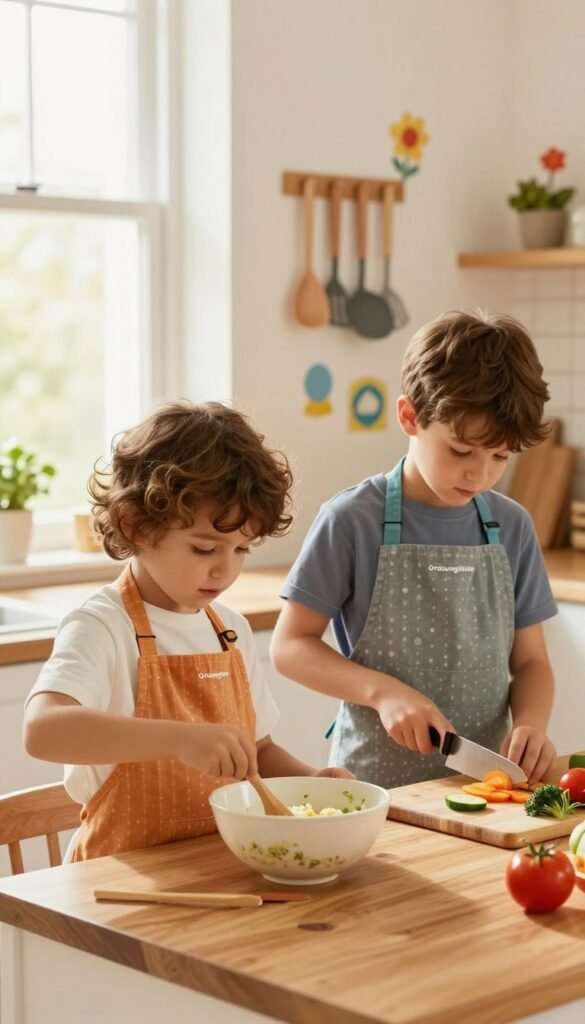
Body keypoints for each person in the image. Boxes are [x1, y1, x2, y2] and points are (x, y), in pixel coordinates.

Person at [23, 400, 352, 862]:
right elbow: (42, 731)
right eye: (204, 548)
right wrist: (179, 739)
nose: (224, 570)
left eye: (241, 550)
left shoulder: (228, 630)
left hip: (213, 869)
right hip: (116, 881)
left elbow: (256, 753)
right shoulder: (102, 626)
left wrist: (311, 782)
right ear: (135, 526)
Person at [271, 311, 558, 789]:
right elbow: (289, 646)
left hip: (484, 786)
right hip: (373, 786)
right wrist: (381, 692)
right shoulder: (351, 520)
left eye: (501, 457)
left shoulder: (512, 527)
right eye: (461, 451)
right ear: (409, 417)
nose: (479, 475)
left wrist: (531, 723)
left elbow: (531, 662)